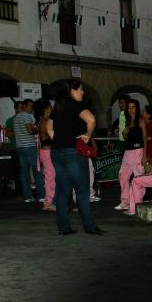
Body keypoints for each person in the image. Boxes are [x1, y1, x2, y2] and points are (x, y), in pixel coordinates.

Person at [46, 79, 104, 236]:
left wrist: (59, 139)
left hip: (57, 151)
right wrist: (88, 136)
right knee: (82, 190)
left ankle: (63, 227)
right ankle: (89, 226)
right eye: (80, 90)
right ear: (72, 91)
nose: (83, 92)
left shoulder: (59, 106)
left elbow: (48, 127)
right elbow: (91, 120)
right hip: (73, 151)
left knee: (63, 190)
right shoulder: (76, 105)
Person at [115, 99, 145, 211]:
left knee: (138, 177)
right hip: (128, 151)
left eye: (133, 107)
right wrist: (124, 133)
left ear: (137, 108)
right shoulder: (128, 121)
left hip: (138, 150)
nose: (131, 109)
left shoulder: (140, 120)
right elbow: (127, 138)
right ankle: (125, 201)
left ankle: (137, 202)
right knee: (123, 175)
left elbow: (144, 139)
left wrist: (144, 155)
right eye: (129, 107)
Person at [14, 99, 45, 203]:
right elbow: (30, 131)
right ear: (24, 106)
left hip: (20, 147)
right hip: (30, 146)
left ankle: (28, 197)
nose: (32, 108)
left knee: (24, 173)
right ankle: (41, 196)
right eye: (30, 106)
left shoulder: (16, 117)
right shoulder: (27, 116)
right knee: (37, 171)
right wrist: (38, 129)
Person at [37, 100, 56, 211]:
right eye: (50, 107)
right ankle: (49, 202)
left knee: (50, 177)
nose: (52, 109)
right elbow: (44, 137)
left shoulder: (43, 120)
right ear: (45, 109)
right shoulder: (45, 120)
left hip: (45, 152)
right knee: (50, 177)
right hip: (47, 152)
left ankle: (49, 201)